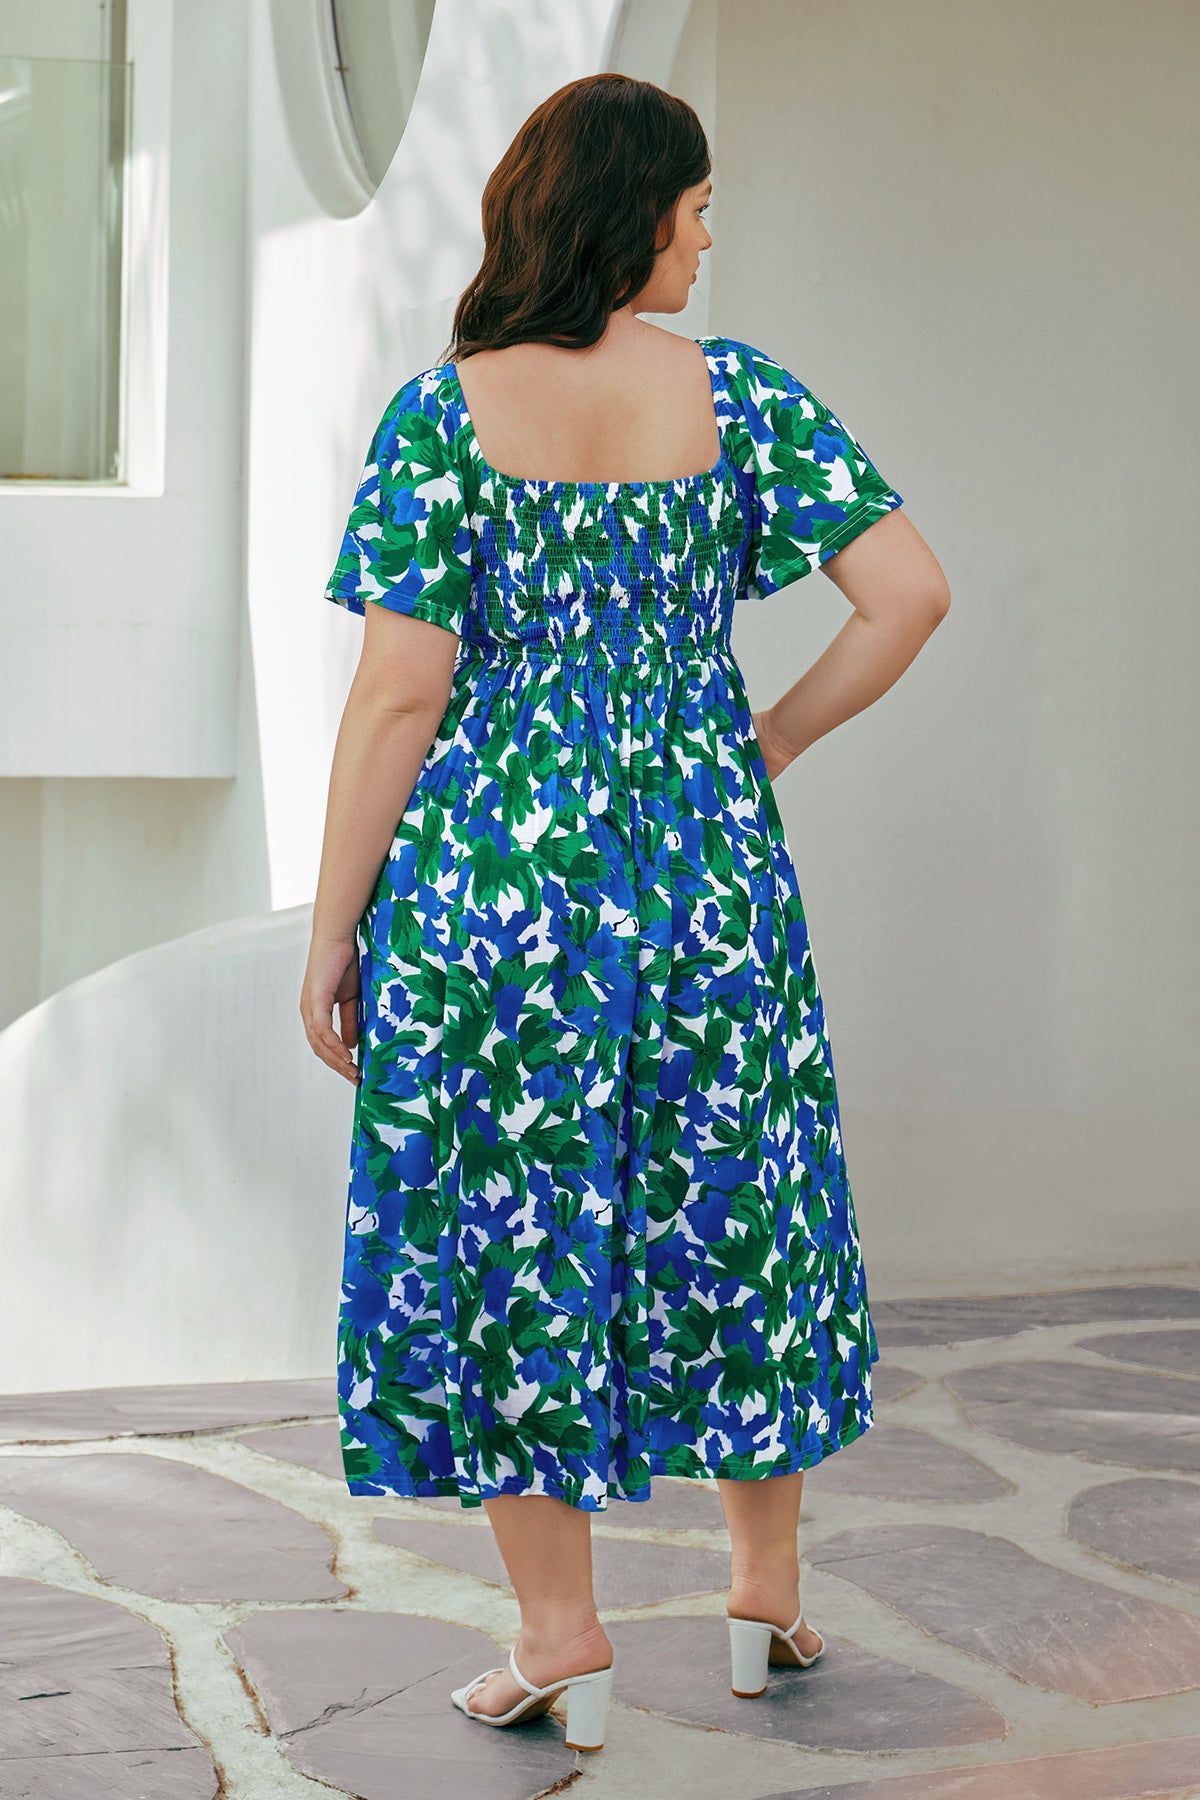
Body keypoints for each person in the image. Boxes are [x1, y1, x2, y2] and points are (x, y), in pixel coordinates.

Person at [301, 72, 950, 1755]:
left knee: (507, 1223)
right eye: (697, 207)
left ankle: (559, 1633)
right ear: (630, 212)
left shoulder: (441, 418)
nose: (708, 237)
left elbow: (398, 698)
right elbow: (907, 594)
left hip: (497, 886)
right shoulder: (738, 396)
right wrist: (769, 737)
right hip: (704, 871)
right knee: (738, 1199)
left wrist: (333, 929)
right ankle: (761, 1594)